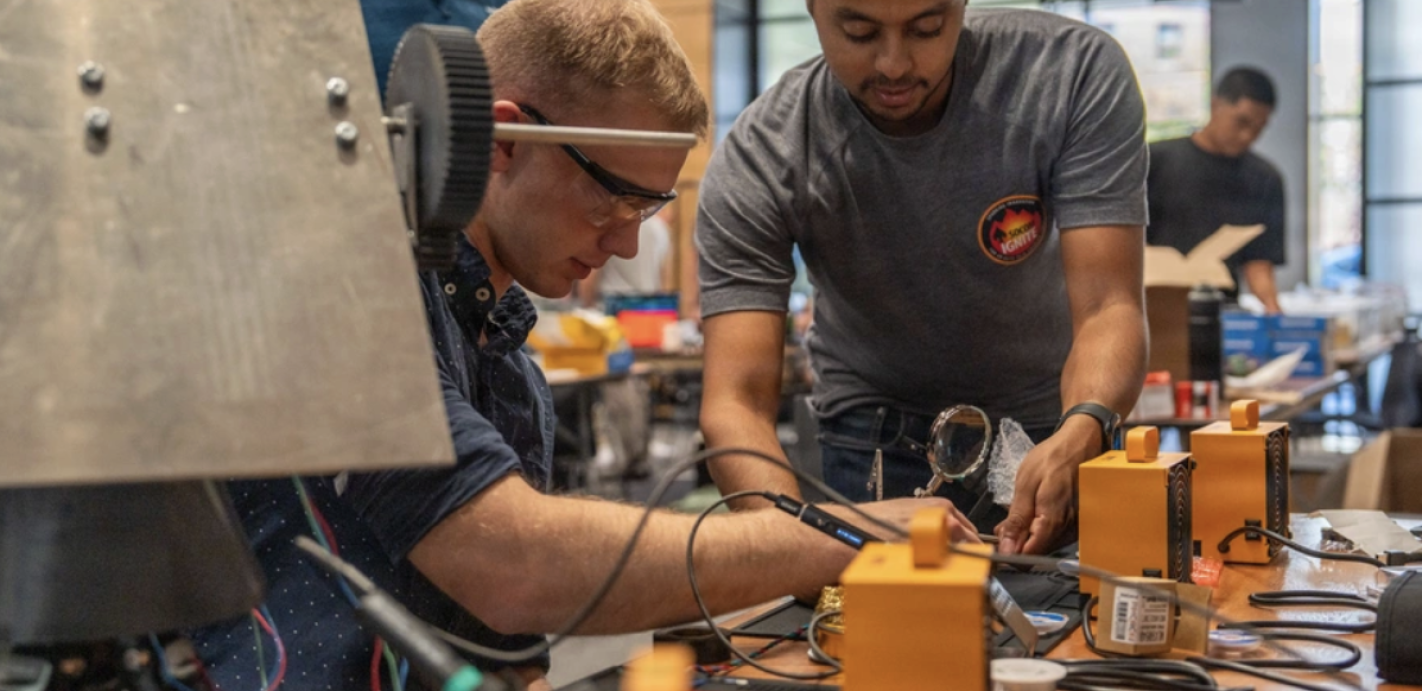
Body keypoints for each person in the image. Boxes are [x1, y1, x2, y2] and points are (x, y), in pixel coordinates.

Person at [188, 2, 971, 690]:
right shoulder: (350, 297)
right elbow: (515, 566)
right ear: (504, 140)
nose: (627, 244)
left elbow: (503, 639)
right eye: (612, 196)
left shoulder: (508, 358)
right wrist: (839, 534)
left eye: (647, 207)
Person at [696, 0, 1150, 557]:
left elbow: (1110, 306)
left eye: (926, 29)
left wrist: (1085, 426)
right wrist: (789, 545)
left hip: (1054, 424)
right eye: (859, 32)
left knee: (1067, 608)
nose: (894, 64)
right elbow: (735, 403)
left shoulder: (1067, 73)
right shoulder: (766, 155)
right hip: (875, 437)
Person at [1146, 67, 1286, 313]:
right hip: (1152, 302)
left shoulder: (1265, 179)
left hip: (1220, 310)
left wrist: (1274, 313)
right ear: (1215, 105)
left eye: (1259, 128)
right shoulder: (1153, 161)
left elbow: (1259, 263)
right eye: (1241, 122)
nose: (1247, 136)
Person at [578, 203, 676, 308]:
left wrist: (586, 306)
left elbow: (591, 271)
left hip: (612, 306)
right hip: (648, 305)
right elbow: (666, 279)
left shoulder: (610, 223)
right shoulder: (662, 229)